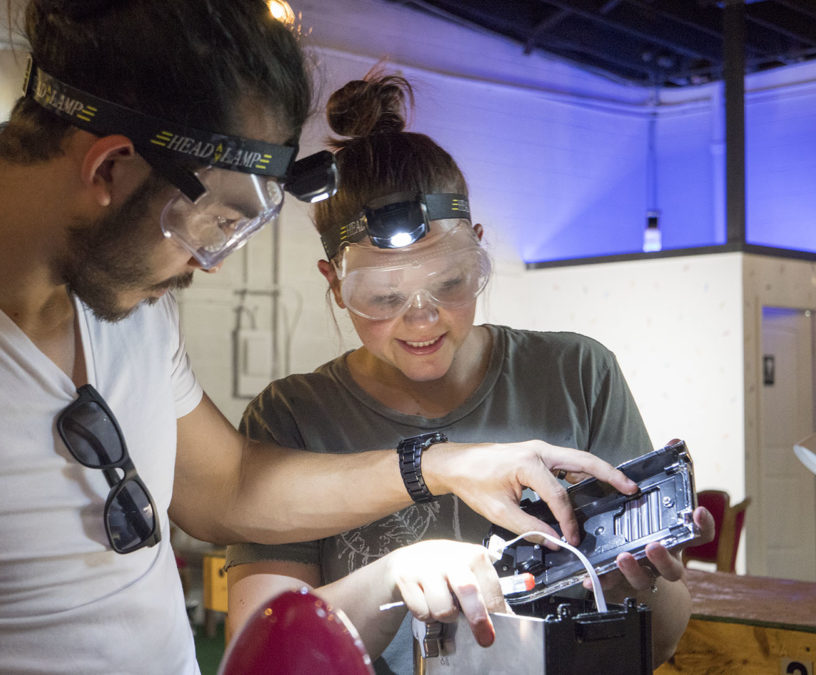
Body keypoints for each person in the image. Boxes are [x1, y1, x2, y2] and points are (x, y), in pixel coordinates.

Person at [0, 2, 646, 673]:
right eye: (210, 225)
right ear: (110, 169)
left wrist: (442, 466)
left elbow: (229, 485)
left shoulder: (124, 303)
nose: (201, 266)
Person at [224, 70, 714, 672]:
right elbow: (261, 657)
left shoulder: (576, 374)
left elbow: (660, 641)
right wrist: (394, 576)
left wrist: (633, 586)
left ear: (478, 248)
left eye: (451, 283)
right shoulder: (292, 419)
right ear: (335, 285)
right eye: (383, 298)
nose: (422, 320)